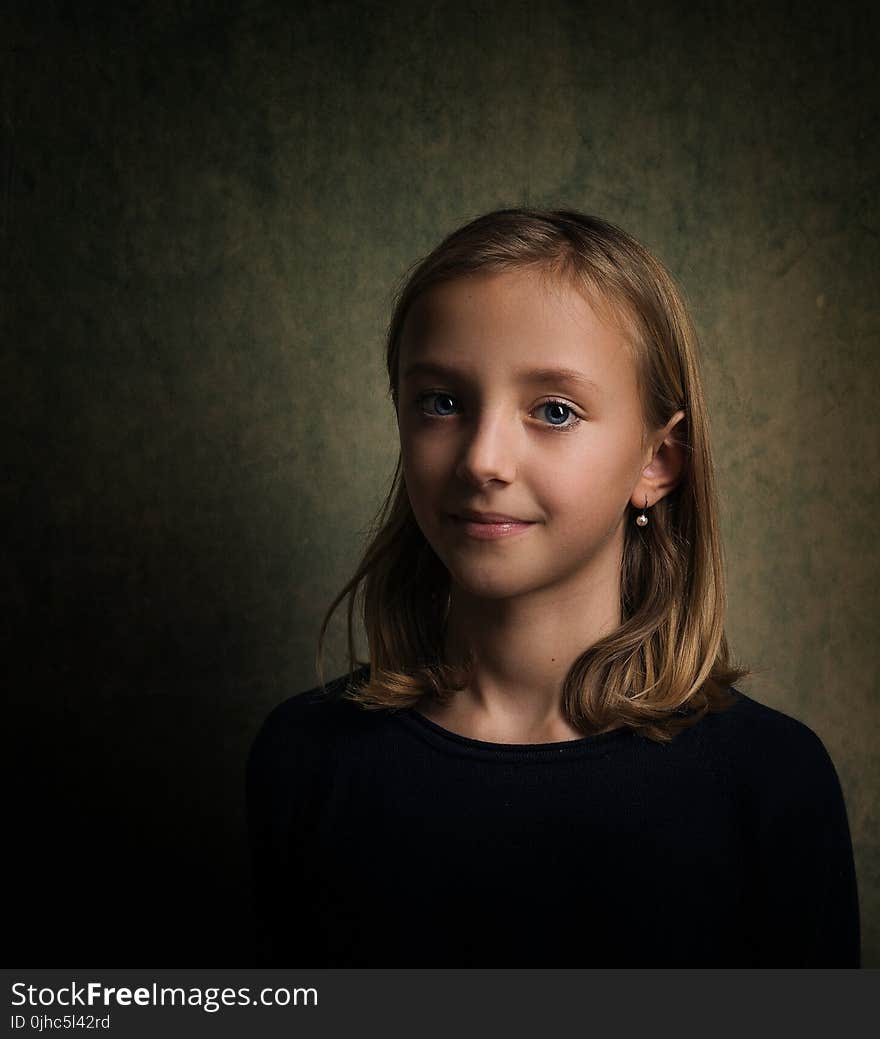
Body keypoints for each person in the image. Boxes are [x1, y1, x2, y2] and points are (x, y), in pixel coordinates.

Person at [246, 208, 861, 967]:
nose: (483, 459)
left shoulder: (770, 784)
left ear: (657, 461)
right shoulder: (306, 758)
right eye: (441, 401)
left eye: (555, 411)